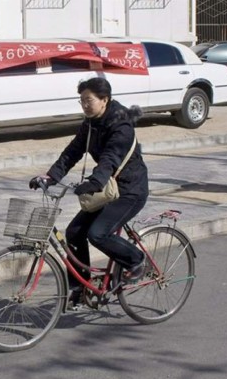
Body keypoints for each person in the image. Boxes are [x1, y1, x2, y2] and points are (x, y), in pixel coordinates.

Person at [29, 77, 149, 307]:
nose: (84, 104)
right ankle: (82, 287)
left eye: (89, 100)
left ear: (104, 100)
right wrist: (51, 176)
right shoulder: (91, 122)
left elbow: (110, 158)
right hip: (107, 189)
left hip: (129, 190)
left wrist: (95, 181)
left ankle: (136, 261)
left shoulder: (121, 124)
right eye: (81, 100)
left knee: (98, 234)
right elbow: (73, 150)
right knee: (74, 233)